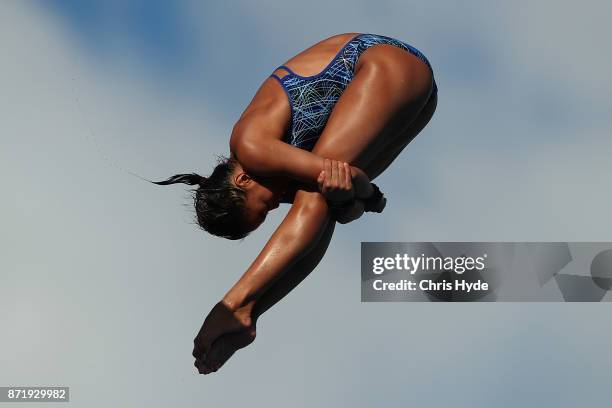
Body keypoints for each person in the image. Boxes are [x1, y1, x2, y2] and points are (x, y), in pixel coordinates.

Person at [153, 32, 438, 373]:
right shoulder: (274, 179)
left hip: (383, 62)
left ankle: (234, 305)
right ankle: (251, 312)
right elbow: (347, 205)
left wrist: (362, 196)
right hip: (421, 97)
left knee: (316, 197)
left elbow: (350, 181)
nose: (276, 205)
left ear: (242, 180)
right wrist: (352, 200)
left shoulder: (250, 145)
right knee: (323, 205)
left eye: (264, 208)